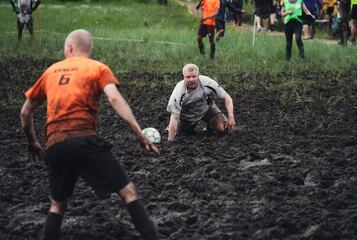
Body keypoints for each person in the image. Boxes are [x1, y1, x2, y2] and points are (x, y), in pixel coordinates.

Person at [20, 29, 160, 240]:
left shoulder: (51, 71)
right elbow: (114, 99)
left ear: (69, 48)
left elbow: (25, 111)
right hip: (84, 139)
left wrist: (33, 143)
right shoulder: (97, 68)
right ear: (89, 49)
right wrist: (139, 134)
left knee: (57, 204)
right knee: (128, 192)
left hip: (55, 145)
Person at [166, 63, 236, 142]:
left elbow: (226, 97)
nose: (191, 79)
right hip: (187, 115)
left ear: (198, 75)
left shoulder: (208, 83)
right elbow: (174, 117)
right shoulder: (178, 92)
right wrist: (170, 141)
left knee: (222, 128)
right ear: (183, 77)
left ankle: (210, 126)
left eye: (194, 76)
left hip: (207, 109)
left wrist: (231, 116)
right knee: (182, 134)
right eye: (188, 77)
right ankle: (174, 128)